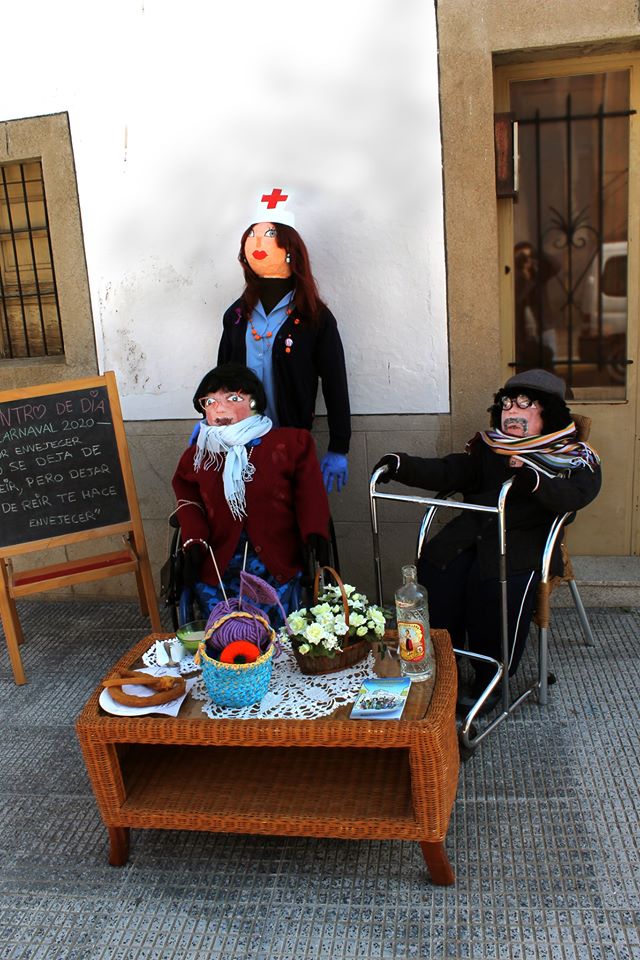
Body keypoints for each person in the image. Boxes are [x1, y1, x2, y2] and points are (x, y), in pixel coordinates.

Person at [375, 369, 601, 710]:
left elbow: (576, 495)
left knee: (494, 588)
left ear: (549, 411)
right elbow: (451, 471)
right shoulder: (491, 447)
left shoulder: (572, 456)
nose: (512, 412)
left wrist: (535, 481)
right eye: (507, 404)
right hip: (474, 531)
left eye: (524, 404)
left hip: (525, 541)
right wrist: (402, 465)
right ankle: (442, 664)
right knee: (437, 569)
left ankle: (490, 678)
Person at [216, 189, 351, 494]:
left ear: (290, 249)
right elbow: (221, 379)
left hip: (290, 442)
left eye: (269, 235)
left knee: (291, 514)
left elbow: (335, 382)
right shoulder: (236, 316)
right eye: (252, 235)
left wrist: (339, 446)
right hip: (241, 444)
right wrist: (210, 423)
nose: (258, 242)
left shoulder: (314, 317)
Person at [173, 363, 331, 622]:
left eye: (232, 398)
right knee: (223, 632)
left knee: (274, 631)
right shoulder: (197, 455)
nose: (219, 408)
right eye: (210, 401)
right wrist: (194, 541)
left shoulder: (291, 444)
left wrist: (314, 532)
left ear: (255, 402)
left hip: (276, 561)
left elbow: (310, 495)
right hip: (219, 564)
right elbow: (189, 502)